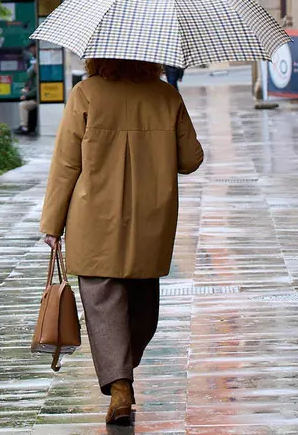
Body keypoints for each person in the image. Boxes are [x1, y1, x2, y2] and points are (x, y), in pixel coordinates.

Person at [39, 58, 204, 426]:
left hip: (93, 219)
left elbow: (66, 164)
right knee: (143, 306)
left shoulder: (85, 94)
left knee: (102, 304)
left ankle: (119, 384)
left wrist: (52, 223)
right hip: (151, 219)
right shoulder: (165, 96)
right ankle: (123, 375)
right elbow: (191, 159)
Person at [17, 42, 38, 135]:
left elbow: (38, 88)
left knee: (23, 105)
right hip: (35, 96)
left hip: (37, 98)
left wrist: (26, 96)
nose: (31, 51)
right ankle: (25, 126)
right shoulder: (35, 61)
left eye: (32, 48)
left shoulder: (38, 66)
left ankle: (24, 127)